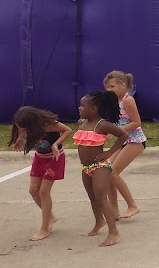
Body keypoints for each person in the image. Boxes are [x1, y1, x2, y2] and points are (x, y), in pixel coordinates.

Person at [73, 90, 128, 246]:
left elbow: (123, 135)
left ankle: (114, 232)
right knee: (92, 198)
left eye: (82, 105)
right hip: (86, 167)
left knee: (101, 198)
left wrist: (110, 152)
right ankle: (99, 221)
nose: (79, 108)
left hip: (100, 166)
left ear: (93, 109)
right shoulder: (81, 123)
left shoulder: (102, 125)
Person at [9, 107, 72, 241]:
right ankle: (50, 216)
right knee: (33, 190)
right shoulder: (27, 125)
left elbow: (68, 130)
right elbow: (22, 130)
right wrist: (20, 138)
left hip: (54, 158)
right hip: (40, 158)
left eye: (24, 128)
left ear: (33, 122)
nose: (23, 129)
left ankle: (45, 228)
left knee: (44, 191)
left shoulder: (49, 124)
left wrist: (56, 144)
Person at [104, 71, 146, 220]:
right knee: (106, 171)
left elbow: (136, 122)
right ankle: (114, 210)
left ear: (123, 85)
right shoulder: (114, 101)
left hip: (135, 140)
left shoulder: (128, 100)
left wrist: (118, 130)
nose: (109, 90)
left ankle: (132, 205)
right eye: (107, 87)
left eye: (112, 86)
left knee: (113, 173)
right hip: (122, 140)